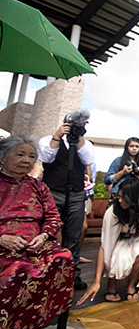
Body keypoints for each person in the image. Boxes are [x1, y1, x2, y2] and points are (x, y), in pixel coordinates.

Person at [0, 136, 74, 329]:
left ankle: (32, 326)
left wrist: (43, 236)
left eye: (31, 156)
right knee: (18, 270)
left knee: (63, 257)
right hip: (4, 245)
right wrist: (2, 238)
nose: (27, 160)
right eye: (20, 154)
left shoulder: (38, 187)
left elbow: (53, 217)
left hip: (36, 243)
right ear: (3, 158)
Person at [77, 178, 139, 304]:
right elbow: (105, 246)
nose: (120, 200)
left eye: (124, 198)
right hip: (118, 238)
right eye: (119, 196)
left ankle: (131, 286)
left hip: (137, 237)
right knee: (115, 254)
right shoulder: (113, 212)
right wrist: (96, 282)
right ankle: (111, 285)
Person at [38, 109, 95, 290]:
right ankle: (46, 270)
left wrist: (78, 139)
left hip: (76, 193)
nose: (80, 128)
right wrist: (57, 136)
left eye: (83, 126)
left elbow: (88, 160)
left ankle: (72, 274)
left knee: (73, 234)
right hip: (52, 192)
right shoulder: (48, 139)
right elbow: (46, 157)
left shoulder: (84, 143)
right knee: (49, 232)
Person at [105, 137, 139, 201]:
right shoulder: (118, 161)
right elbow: (107, 180)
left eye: (137, 146)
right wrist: (122, 172)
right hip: (118, 194)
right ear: (127, 147)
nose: (134, 148)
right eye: (131, 146)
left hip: (136, 195)